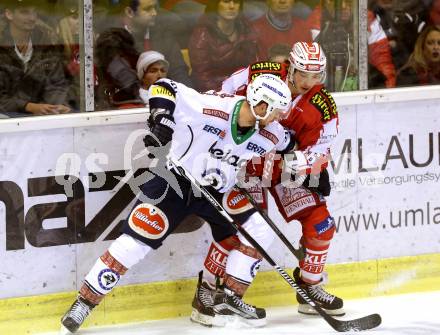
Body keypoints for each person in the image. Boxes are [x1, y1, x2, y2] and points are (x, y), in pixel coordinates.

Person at [60, 73, 295, 333]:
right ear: (262, 106)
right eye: (278, 111)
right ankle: (84, 302)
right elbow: (163, 87)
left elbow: (289, 141)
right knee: (134, 243)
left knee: (258, 229)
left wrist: (310, 160)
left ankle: (229, 298)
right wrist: (162, 119)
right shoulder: (211, 108)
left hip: (218, 191)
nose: (280, 118)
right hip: (175, 182)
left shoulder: (270, 132)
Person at [191, 42, 343, 327]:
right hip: (244, 164)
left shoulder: (323, 104)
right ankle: (208, 292)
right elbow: (222, 99)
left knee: (322, 225)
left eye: (317, 76)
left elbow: (322, 149)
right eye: (304, 74)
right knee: (240, 231)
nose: (310, 83)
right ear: (292, 67)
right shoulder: (260, 74)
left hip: (284, 169)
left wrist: (304, 164)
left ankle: (310, 285)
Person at [0, 0, 71, 117]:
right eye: (25, 12)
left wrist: (57, 104)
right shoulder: (2, 46)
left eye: (35, 12)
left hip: (40, 120)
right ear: (9, 14)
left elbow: (57, 83)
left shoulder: (45, 42)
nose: (32, 18)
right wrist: (29, 106)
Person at [188, 0, 258, 91]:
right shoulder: (202, 34)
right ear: (216, 5)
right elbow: (202, 76)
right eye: (226, 1)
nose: (232, 6)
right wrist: (224, 95)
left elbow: (251, 67)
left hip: (241, 89)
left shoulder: (246, 28)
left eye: (236, 2)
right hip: (211, 92)